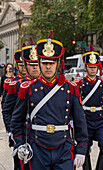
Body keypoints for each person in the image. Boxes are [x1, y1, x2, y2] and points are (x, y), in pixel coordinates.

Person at [11, 30, 88, 170]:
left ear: (58, 64)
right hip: (37, 148)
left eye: (52, 63)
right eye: (45, 62)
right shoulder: (27, 89)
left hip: (63, 147)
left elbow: (80, 121)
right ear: (39, 63)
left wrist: (82, 150)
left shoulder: (70, 89)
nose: (48, 67)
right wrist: (20, 143)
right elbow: (17, 121)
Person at [2, 38, 40, 170]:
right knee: (20, 165)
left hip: (40, 134)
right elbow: (7, 109)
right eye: (27, 64)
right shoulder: (17, 85)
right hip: (21, 130)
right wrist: (10, 129)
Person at [75, 45, 103, 170]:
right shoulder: (80, 84)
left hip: (99, 119)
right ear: (86, 68)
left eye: (95, 67)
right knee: (85, 147)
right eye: (90, 67)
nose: (93, 70)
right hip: (85, 119)